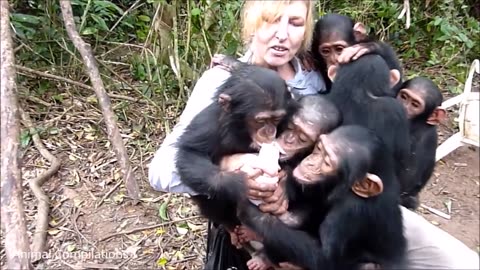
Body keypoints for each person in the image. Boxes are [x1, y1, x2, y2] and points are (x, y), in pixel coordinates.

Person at [148, 1, 480, 269]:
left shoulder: (315, 69)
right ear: (251, 23)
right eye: (271, 21)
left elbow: (385, 84)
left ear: (307, 31)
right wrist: (232, 165)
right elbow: (162, 171)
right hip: (281, 217)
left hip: (341, 202)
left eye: (294, 23)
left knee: (461, 261)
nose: (281, 35)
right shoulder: (222, 83)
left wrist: (372, 48)